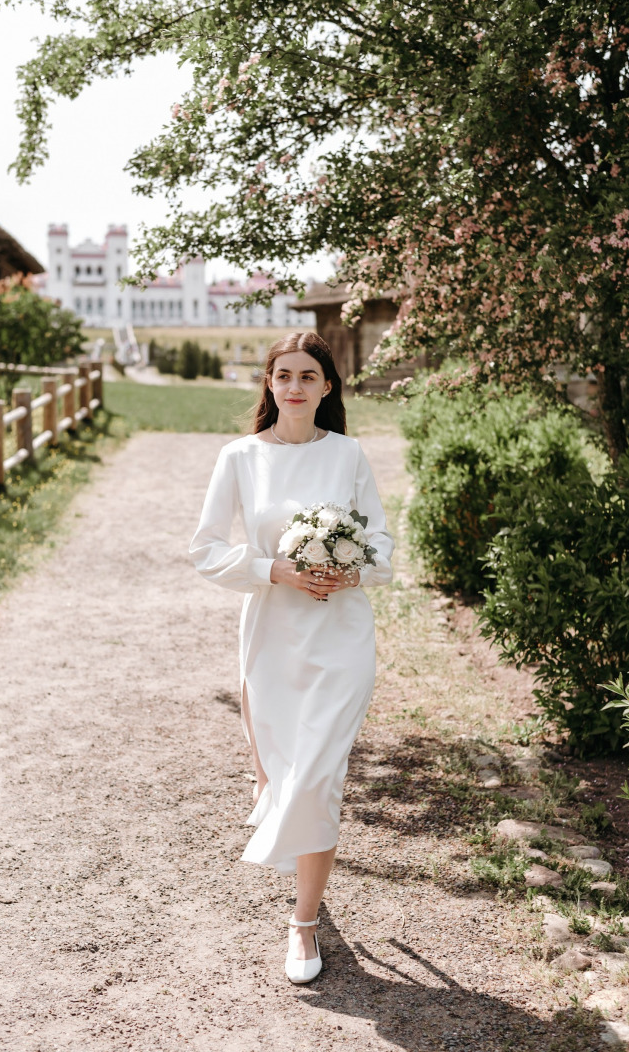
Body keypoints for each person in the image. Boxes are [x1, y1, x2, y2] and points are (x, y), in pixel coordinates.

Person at [189, 331, 394, 984]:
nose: (296, 386)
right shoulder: (241, 457)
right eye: (284, 375)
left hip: (341, 636)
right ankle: (271, 783)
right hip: (273, 634)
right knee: (290, 773)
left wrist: (354, 570)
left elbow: (382, 541)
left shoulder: (349, 454)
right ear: (269, 385)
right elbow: (204, 549)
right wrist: (271, 569)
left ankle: (302, 923)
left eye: (309, 375)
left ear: (327, 386)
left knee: (317, 779)